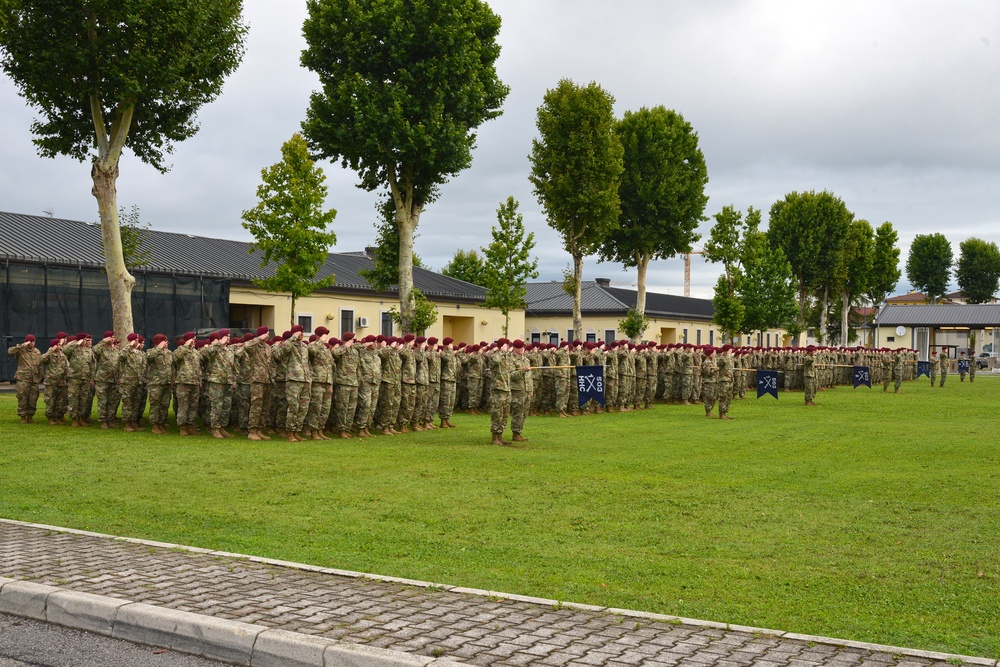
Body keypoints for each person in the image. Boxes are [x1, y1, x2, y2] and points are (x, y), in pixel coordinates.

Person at [8, 334, 42, 423]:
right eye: (30, 341)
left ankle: (30, 416)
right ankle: (23, 416)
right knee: (22, 397)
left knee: (33, 398)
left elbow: (40, 365)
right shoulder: (21, 350)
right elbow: (10, 351)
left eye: (33, 341)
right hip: (23, 379)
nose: (32, 343)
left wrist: (40, 377)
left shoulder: (37, 351)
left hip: (34, 379)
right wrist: (22, 345)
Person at [146, 334, 174, 433]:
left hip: (167, 382)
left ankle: (161, 423)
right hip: (156, 383)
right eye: (165, 341)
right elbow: (148, 358)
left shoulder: (169, 353)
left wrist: (172, 380)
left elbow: (171, 368)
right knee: (155, 404)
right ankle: (154, 425)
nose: (167, 343)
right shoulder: (151, 351)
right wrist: (159, 347)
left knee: (164, 405)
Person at [488, 338, 513, 445]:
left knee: (505, 414)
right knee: (497, 413)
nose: (508, 347)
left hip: (506, 388)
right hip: (498, 388)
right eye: (506, 345)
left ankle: (500, 435)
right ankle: (494, 438)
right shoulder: (495, 355)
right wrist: (501, 350)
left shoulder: (506, 356)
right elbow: (495, 362)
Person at [508, 339, 530, 442]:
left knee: (524, 413)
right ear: (514, 348)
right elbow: (511, 375)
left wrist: (531, 389)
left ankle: (519, 432)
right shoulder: (510, 359)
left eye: (523, 347)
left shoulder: (525, 359)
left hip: (526, 389)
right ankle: (515, 433)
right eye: (519, 347)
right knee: (518, 412)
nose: (522, 349)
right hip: (517, 389)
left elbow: (529, 376)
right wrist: (522, 371)